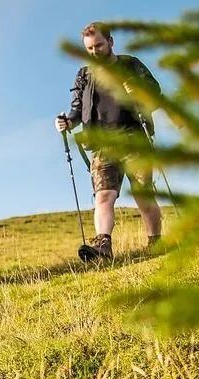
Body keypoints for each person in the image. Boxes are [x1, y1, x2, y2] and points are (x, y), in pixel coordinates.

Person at [56, 21, 164, 261]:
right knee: (103, 195)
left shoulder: (131, 65)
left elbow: (156, 94)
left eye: (99, 46)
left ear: (111, 42)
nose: (95, 52)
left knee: (143, 194)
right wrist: (67, 122)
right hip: (102, 144)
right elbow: (76, 110)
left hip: (134, 138)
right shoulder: (84, 75)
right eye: (90, 49)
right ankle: (103, 246)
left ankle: (155, 243)